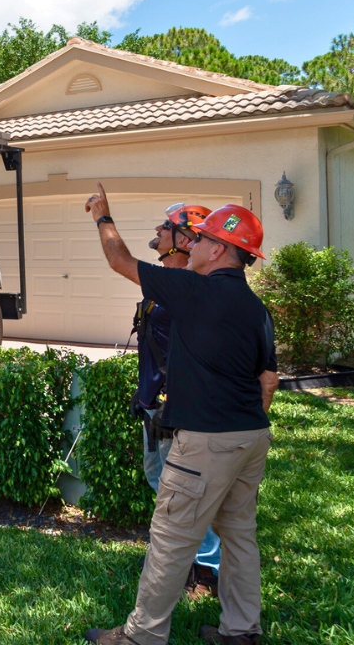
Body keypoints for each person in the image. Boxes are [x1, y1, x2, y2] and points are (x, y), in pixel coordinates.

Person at [83, 184, 280, 645]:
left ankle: (141, 637)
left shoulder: (192, 291)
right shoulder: (257, 309)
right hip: (250, 437)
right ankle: (240, 631)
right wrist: (239, 423)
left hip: (205, 442)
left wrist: (102, 217)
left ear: (218, 249)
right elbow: (267, 381)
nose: (191, 245)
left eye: (200, 239)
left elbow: (120, 260)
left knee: (170, 540)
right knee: (240, 538)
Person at [132, 203, 222, 595]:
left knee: (186, 491)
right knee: (160, 480)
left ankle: (206, 569)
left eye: (165, 226)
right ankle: (184, 558)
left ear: (183, 241)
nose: (156, 228)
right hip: (155, 404)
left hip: (176, 407)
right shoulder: (170, 285)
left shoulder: (188, 289)